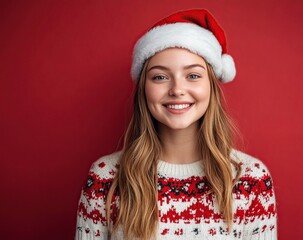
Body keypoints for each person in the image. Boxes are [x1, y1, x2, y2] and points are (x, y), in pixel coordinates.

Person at [75, 9, 277, 240]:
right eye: (160, 77)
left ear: (211, 87)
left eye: (193, 76)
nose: (177, 90)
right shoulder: (106, 178)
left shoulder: (251, 180)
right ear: (144, 89)